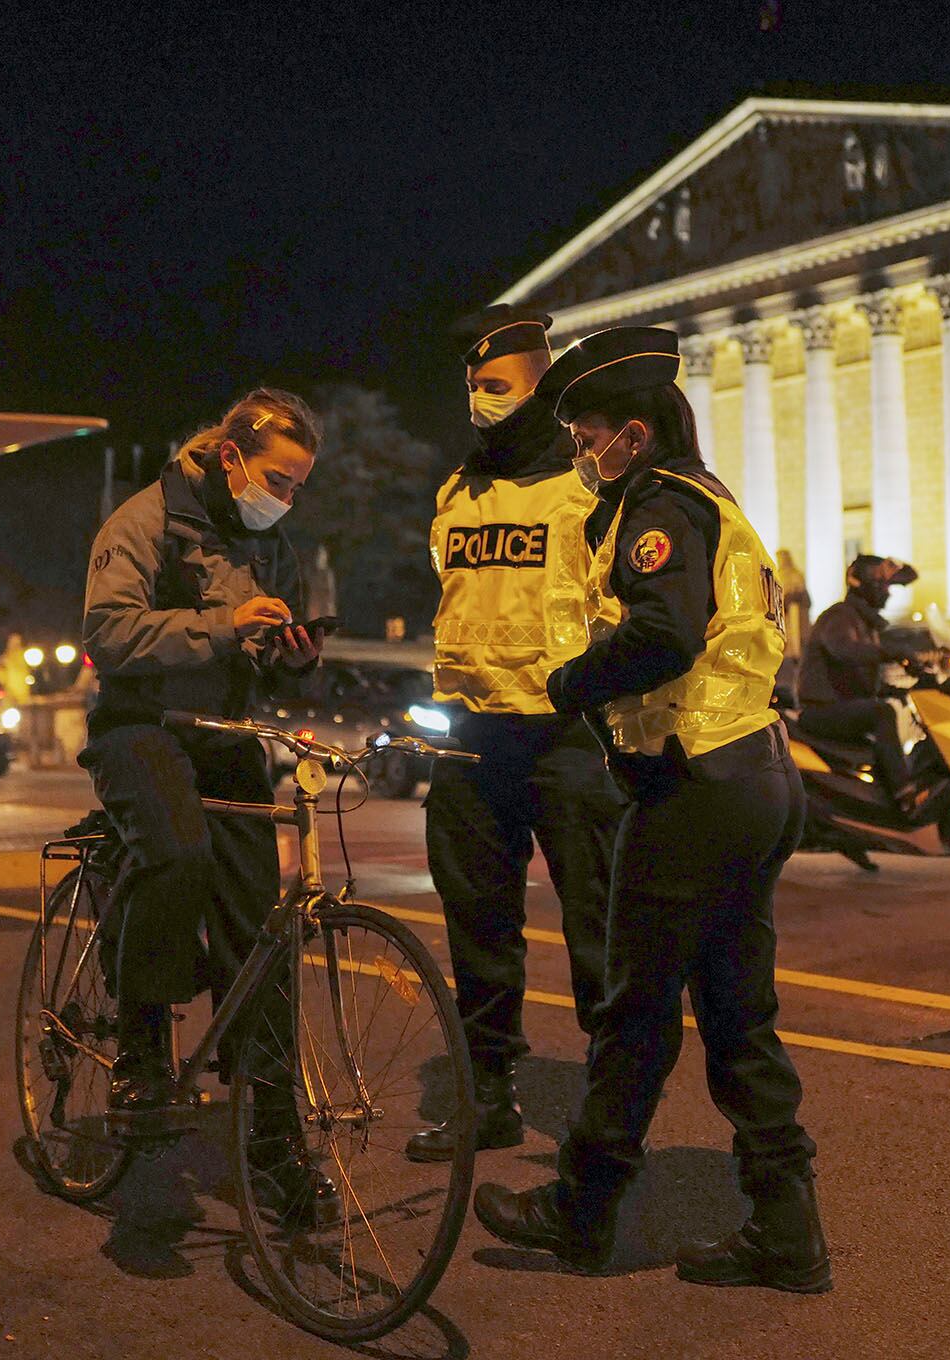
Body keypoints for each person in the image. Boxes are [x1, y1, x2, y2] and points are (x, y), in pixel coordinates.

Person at [473, 326, 830, 1294]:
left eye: (589, 436)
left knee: (635, 1007)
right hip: (753, 777)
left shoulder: (659, 505)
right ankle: (787, 1231)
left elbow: (665, 633)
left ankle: (582, 1208)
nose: (582, 453)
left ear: (633, 433)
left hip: (694, 784)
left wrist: (569, 683)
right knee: (736, 1011)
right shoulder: (717, 502)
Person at [79, 387, 336, 1222]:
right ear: (231, 457)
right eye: (278, 479)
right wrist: (224, 624)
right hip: (141, 725)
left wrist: (295, 656)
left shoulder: (274, 545)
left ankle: (273, 1139)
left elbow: (270, 654)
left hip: (223, 735)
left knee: (262, 928)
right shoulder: (143, 519)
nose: (286, 498)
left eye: (299, 486)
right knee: (179, 853)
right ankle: (143, 1047)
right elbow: (109, 634)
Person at [410, 304, 620, 1162]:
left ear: (540, 388)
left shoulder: (587, 485)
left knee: (598, 932)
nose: (478, 405)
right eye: (472, 389)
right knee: (477, 931)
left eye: (495, 388)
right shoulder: (456, 491)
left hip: (563, 734)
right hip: (469, 736)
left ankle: (610, 1117)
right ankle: (488, 1094)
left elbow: (616, 605)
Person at [796, 554, 927, 813]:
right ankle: (903, 793)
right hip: (820, 711)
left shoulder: (866, 623)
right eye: (884, 585)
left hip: (839, 707)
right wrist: (894, 652)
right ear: (865, 584)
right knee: (882, 712)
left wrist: (902, 689)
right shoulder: (841, 615)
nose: (888, 592)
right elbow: (844, 651)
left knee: (885, 712)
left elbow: (857, 677)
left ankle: (879, 805)